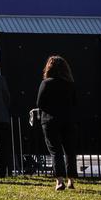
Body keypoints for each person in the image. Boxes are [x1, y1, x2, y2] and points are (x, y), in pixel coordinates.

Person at [36, 55, 78, 191]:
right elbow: (75, 102)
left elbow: (39, 103)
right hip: (68, 119)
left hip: (50, 119)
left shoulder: (46, 83)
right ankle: (71, 180)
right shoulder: (70, 84)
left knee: (55, 151)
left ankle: (59, 181)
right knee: (70, 150)